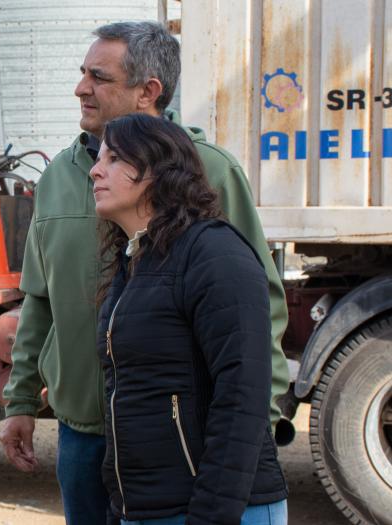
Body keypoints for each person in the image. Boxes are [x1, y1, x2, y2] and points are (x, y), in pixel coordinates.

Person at [0, 20, 290, 524]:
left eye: (99, 76)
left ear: (147, 91)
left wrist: (248, 437)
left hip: (178, 443)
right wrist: (20, 398)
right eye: (81, 73)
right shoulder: (56, 180)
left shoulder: (212, 171)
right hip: (85, 435)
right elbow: (40, 300)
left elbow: (255, 308)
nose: (80, 88)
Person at [92, 113, 288, 524]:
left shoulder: (214, 253)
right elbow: (126, 396)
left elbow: (243, 395)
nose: (95, 170)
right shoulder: (137, 261)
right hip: (148, 507)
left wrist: (212, 516)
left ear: (154, 169)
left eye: (113, 159)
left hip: (217, 509)